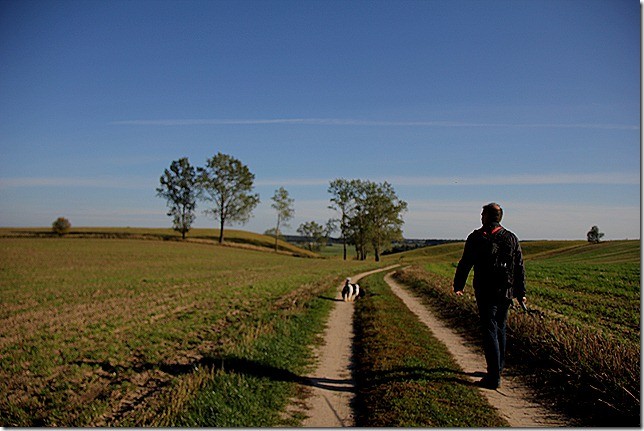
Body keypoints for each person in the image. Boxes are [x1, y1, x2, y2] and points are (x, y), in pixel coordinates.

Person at [453, 202, 526, 389]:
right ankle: (498, 368)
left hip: (486, 291)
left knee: (490, 329)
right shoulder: (511, 238)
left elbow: (465, 263)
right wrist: (520, 293)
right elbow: (519, 267)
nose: (481, 216)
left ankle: (493, 377)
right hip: (506, 291)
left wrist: (458, 285)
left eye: (482, 213)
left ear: (486, 216)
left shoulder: (477, 237)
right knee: (500, 327)